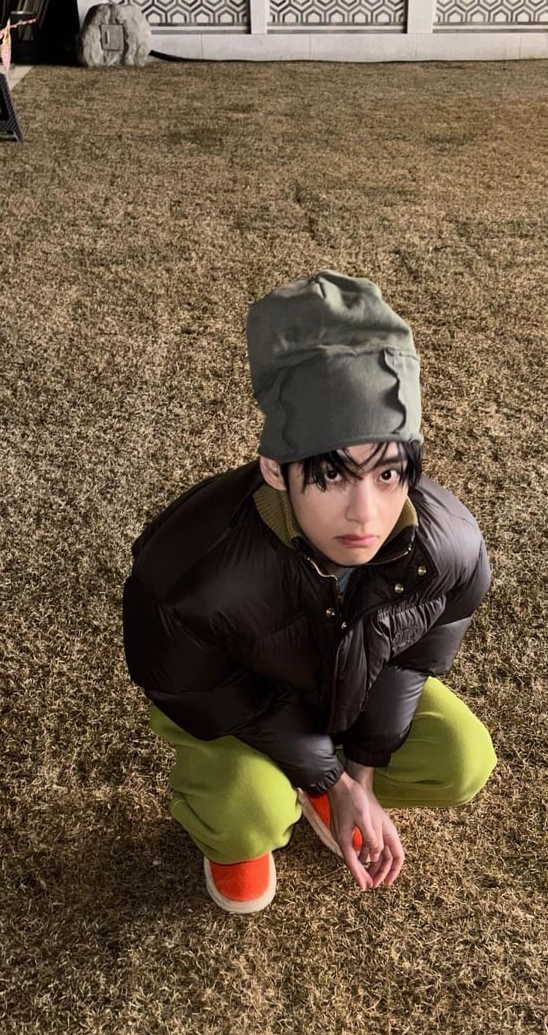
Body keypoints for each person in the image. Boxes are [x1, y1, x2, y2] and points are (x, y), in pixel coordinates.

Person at [123, 271, 495, 913]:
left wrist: (360, 773)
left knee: (460, 759)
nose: (365, 513)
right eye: (330, 476)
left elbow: (411, 659)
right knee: (246, 809)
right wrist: (328, 773)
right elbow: (201, 691)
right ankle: (253, 823)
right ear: (276, 468)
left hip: (344, 688)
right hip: (237, 702)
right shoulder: (187, 576)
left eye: (388, 474)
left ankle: (325, 784)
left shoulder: (449, 549)